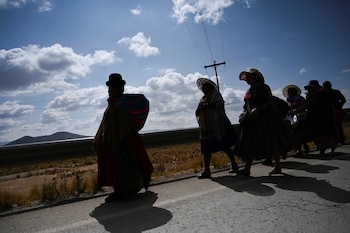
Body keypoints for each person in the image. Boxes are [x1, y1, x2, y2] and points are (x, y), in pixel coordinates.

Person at [93, 73, 153, 201]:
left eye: (112, 88)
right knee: (121, 163)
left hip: (124, 139)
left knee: (125, 164)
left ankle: (123, 190)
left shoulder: (122, 105)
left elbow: (124, 123)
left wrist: (121, 136)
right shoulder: (114, 105)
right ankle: (121, 189)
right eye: (109, 89)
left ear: (119, 88)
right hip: (115, 140)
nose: (109, 91)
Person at [234, 68, 294, 177]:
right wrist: (244, 112)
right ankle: (247, 168)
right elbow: (246, 105)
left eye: (250, 76)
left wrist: (259, 109)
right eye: (247, 77)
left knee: (272, 141)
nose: (248, 79)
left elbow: (269, 102)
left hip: (267, 118)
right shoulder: (249, 91)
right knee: (249, 142)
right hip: (252, 120)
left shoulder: (264, 88)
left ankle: (277, 166)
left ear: (256, 77)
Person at [195, 78, 238, 179]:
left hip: (218, 125)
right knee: (206, 149)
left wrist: (208, 105)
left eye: (205, 87)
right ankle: (207, 170)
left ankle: (234, 164)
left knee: (224, 145)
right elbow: (198, 110)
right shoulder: (203, 98)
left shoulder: (216, 95)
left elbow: (219, 105)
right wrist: (199, 109)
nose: (203, 89)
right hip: (207, 127)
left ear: (209, 87)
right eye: (202, 88)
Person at [304, 80, 337, 154]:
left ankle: (326, 148)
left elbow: (329, 104)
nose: (310, 89)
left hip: (325, 116)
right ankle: (321, 147)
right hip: (314, 117)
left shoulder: (323, 93)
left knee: (326, 133)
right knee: (317, 134)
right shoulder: (309, 95)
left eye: (312, 87)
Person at [283, 84, 310, 156]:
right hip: (292, 118)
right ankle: (298, 148)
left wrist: (296, 110)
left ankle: (305, 146)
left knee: (300, 133)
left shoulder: (300, 98)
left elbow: (304, 106)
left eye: (291, 91)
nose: (290, 93)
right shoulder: (289, 100)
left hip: (301, 116)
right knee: (294, 134)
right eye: (289, 91)